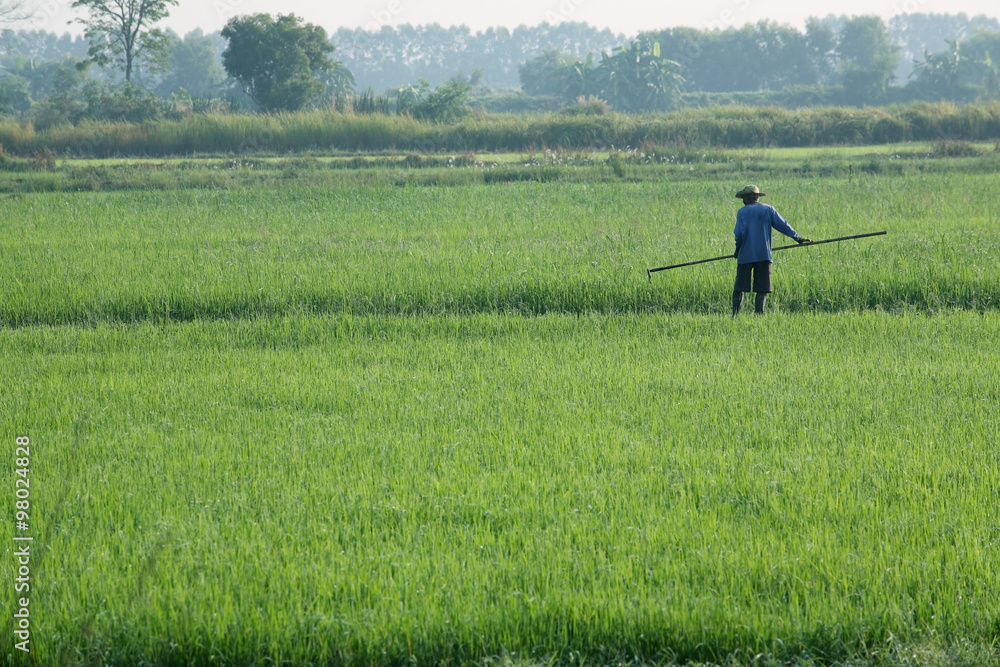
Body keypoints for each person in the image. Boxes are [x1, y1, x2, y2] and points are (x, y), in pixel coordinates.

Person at [732, 185, 811, 315]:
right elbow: (783, 225)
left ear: (746, 198)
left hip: (745, 255)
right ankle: (759, 314)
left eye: (743, 198)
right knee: (762, 287)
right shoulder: (768, 210)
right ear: (757, 198)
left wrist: (737, 249)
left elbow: (739, 234)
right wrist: (798, 238)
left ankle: (735, 315)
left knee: (740, 286)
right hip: (763, 255)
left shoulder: (742, 212)